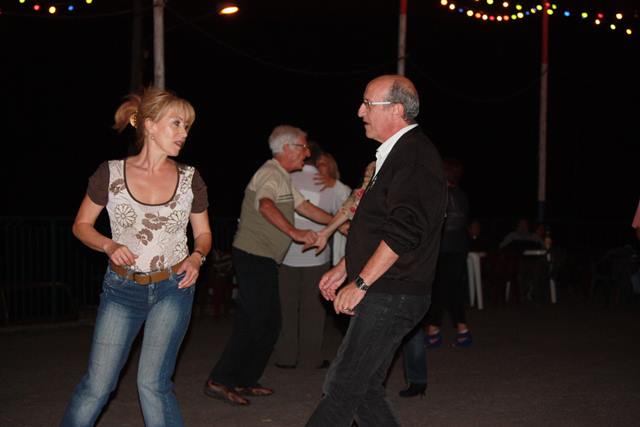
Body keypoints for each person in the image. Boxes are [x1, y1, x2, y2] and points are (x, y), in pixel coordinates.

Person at [60, 87, 212, 427]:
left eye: (187, 126)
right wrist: (109, 246)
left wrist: (197, 256)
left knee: (153, 383)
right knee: (98, 386)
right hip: (122, 290)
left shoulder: (190, 179)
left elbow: (203, 233)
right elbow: (81, 226)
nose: (184, 133)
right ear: (149, 125)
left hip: (174, 287)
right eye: (176, 124)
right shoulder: (110, 173)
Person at [306, 74, 447, 426]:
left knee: (342, 386)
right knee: (363, 389)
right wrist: (345, 267)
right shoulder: (397, 154)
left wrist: (362, 283)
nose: (359, 111)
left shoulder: (414, 157)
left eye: (368, 104)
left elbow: (404, 231)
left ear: (396, 110)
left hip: (391, 291)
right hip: (388, 288)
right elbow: (379, 227)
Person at [204, 125, 333, 406]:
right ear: (286, 149)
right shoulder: (269, 174)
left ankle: (246, 379)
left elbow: (307, 209)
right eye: (302, 147)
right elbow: (265, 205)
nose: (308, 152)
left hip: (264, 259)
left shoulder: (283, 177)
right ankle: (219, 379)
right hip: (252, 256)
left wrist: (341, 224)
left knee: (270, 322)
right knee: (254, 322)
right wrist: (295, 233)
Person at [274, 143, 350, 370]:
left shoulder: (288, 179)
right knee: (301, 309)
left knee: (300, 309)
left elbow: (354, 204)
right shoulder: (297, 181)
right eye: (318, 163)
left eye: (324, 164)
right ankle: (299, 357)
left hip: (303, 257)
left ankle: (295, 357)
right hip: (300, 256)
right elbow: (354, 203)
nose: (319, 168)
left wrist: (334, 183)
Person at [424, 158, 473, 349]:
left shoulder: (441, 195)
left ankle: (434, 331)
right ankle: (461, 331)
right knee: (451, 290)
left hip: (444, 248)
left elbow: (437, 223)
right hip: (458, 248)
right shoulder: (461, 194)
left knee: (439, 290)